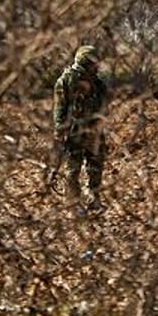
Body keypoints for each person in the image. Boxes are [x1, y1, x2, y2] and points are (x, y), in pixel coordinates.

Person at [52, 44, 108, 210]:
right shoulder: (66, 81)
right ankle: (74, 203)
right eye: (94, 63)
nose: (97, 66)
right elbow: (60, 108)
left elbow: (103, 106)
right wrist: (59, 130)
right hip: (73, 130)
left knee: (96, 165)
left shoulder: (98, 83)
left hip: (94, 129)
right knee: (73, 168)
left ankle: (93, 198)